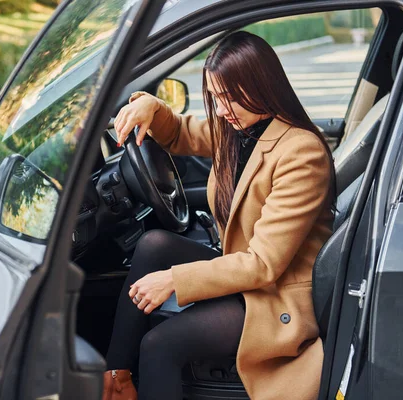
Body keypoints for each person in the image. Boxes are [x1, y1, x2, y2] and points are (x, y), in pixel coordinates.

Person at [102, 31, 336, 400]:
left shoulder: (300, 152)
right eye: (215, 97)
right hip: (245, 271)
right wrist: (150, 106)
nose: (222, 108)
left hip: (276, 296)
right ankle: (116, 377)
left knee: (160, 343)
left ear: (262, 86)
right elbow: (179, 132)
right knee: (153, 244)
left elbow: (262, 265)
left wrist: (175, 279)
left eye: (230, 97)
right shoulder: (236, 129)